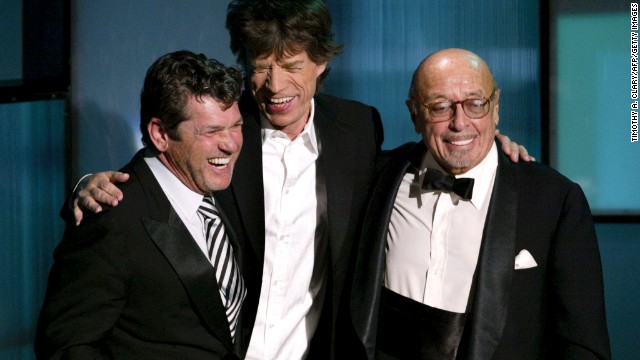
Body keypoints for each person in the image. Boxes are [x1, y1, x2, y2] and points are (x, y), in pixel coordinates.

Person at [66, 2, 531, 359]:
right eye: (261, 65)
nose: (273, 84)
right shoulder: (228, 131)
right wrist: (87, 186)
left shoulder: (357, 130)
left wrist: (484, 144)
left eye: (290, 65)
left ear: (322, 62)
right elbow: (160, 173)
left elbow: (414, 160)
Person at [350, 48, 611, 359]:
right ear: (414, 114)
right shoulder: (378, 176)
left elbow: (582, 346)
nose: (460, 123)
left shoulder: (554, 200)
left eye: (475, 105)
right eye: (440, 107)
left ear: (496, 107)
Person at [35, 51, 248, 359]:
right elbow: (65, 347)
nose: (230, 144)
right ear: (160, 134)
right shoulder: (111, 217)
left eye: (236, 126)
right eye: (212, 131)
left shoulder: (219, 185)